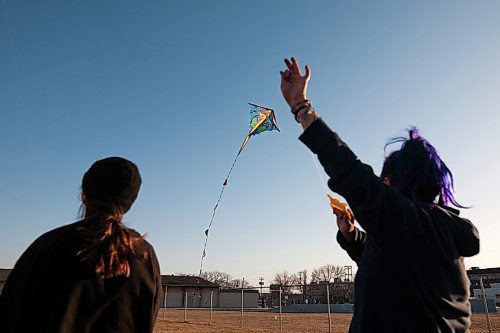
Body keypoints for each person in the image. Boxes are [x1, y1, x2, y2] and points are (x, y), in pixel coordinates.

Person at [280, 57, 480, 332]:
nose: (380, 185)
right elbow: (390, 262)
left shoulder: (409, 221)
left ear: (396, 184)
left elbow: (351, 173)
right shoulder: (433, 230)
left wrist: (300, 107)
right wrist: (352, 235)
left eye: (384, 180)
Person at [0, 157, 162, 333]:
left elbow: (9, 313)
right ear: (130, 202)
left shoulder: (47, 247)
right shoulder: (144, 256)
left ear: (84, 195)